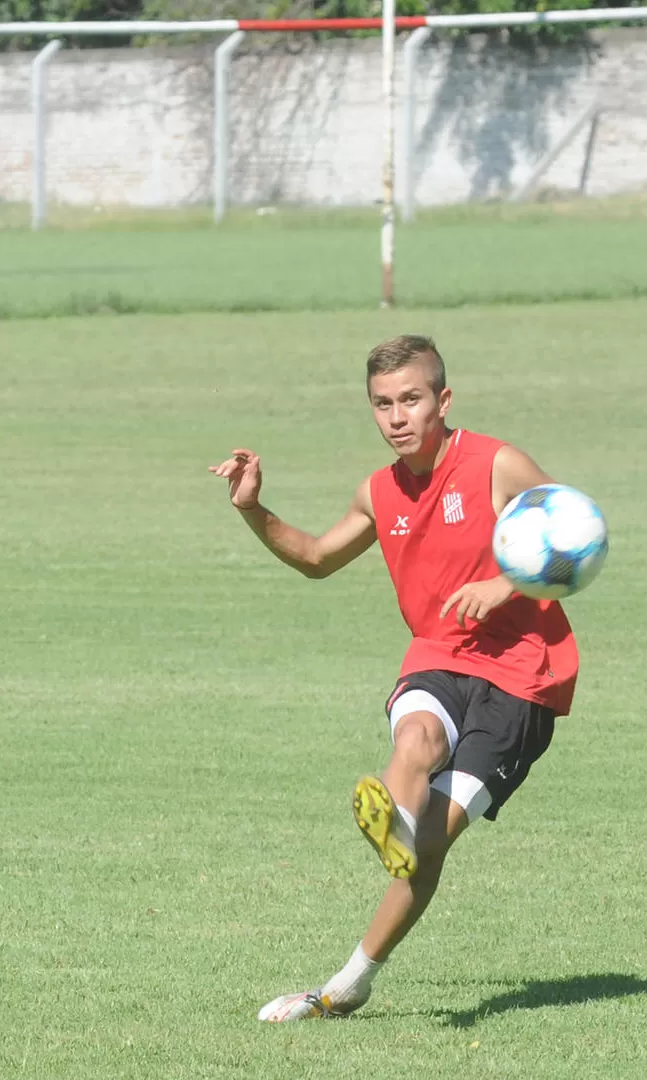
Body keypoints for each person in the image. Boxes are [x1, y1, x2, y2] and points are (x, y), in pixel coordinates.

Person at [209, 335, 581, 1022]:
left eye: (411, 399)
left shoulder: (496, 465)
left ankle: (349, 982)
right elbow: (317, 558)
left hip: (520, 677)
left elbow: (579, 535)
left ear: (444, 400)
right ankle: (397, 828)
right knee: (415, 741)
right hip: (438, 655)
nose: (397, 417)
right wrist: (252, 508)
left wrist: (505, 584)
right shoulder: (378, 492)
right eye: (383, 404)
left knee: (431, 847)